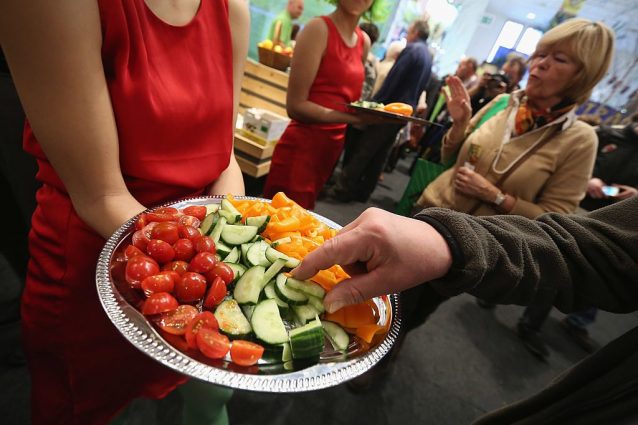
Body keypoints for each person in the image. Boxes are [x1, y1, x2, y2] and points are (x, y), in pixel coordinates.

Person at [0, 0, 248, 423]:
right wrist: (211, 263)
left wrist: (225, 250)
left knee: (209, 396)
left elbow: (225, 159)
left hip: (194, 267)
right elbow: (100, 195)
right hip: (100, 271)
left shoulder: (234, 9)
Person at [292, 199, 638, 424]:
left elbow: (561, 211)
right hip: (453, 230)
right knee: (400, 298)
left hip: (486, 248)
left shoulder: (580, 139)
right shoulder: (499, 111)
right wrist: (450, 239)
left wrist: (497, 198)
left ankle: (387, 357)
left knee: (410, 312)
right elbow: (596, 249)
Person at [515, 112, 638, 356]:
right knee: (549, 258)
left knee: (573, 274)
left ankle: (533, 324)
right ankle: (512, 301)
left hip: (615, 224)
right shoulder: (605, 133)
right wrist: (589, 179)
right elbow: (569, 162)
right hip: (577, 208)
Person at [262, 0, 389, 210]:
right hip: (301, 149)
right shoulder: (318, 29)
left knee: (305, 220)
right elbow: (296, 106)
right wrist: (355, 118)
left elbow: (349, 100)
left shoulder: (363, 42)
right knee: (281, 221)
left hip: (331, 151)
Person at [326, 19, 433, 203]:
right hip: (404, 112)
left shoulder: (412, 50)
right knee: (381, 153)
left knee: (365, 149)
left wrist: (375, 104)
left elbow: (394, 79)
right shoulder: (427, 56)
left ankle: (342, 189)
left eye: (409, 30)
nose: (407, 34)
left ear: (415, 32)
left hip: (390, 109)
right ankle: (364, 192)